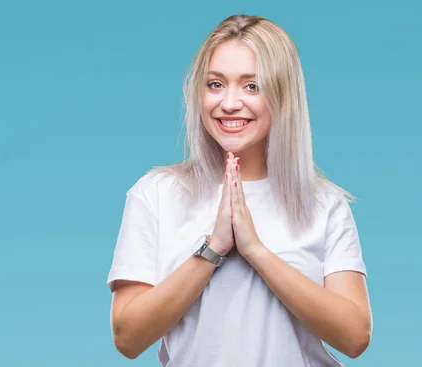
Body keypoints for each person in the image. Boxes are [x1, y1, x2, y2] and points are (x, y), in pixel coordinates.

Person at [106, 14, 372, 367]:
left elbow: (354, 337)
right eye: (215, 84)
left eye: (252, 86)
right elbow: (127, 337)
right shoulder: (156, 194)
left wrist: (255, 251)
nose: (229, 103)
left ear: (282, 95)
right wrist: (213, 248)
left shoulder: (324, 204)